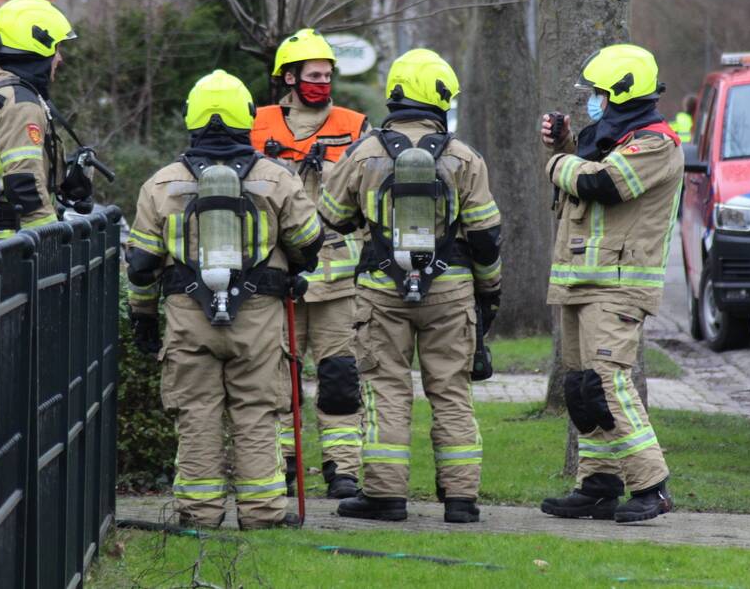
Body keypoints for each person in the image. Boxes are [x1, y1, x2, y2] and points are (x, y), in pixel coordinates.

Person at [125, 69, 324, 530]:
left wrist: (143, 320)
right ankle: (262, 513)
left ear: (192, 120)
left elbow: (139, 266)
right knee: (256, 411)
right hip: (258, 318)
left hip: (186, 316)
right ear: (246, 120)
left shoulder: (161, 184)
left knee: (196, 414)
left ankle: (198, 514)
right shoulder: (277, 178)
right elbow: (310, 243)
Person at [319, 49, 502, 523]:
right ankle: (461, 501)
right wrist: (489, 293)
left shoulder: (365, 152)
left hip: (381, 291)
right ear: (439, 99)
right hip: (452, 292)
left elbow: (331, 217)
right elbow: (485, 237)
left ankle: (384, 497)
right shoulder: (464, 157)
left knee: (385, 390)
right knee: (452, 391)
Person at [539, 43, 682, 524]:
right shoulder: (607, 140)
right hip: (582, 283)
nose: (591, 103)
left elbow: (603, 184)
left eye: (598, 94)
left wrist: (558, 164)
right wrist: (564, 147)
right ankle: (598, 485)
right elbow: (586, 174)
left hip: (618, 287)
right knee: (582, 389)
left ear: (621, 93)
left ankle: (653, 486)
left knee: (608, 385)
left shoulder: (655, 143)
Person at [250, 28, 370, 499]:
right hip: (277, 275)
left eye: (327, 74)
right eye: (313, 75)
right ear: (289, 77)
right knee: (279, 376)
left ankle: (343, 468)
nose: (323, 82)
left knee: (340, 376)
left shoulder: (355, 124)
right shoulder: (257, 125)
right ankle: (282, 462)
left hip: (337, 277)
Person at [0, 0, 75, 241]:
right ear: (40, 44)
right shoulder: (20, 102)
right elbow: (23, 181)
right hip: (13, 245)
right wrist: (52, 240)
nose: (60, 58)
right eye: (57, 48)